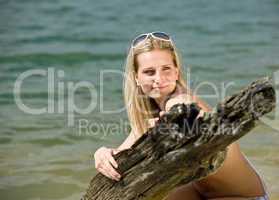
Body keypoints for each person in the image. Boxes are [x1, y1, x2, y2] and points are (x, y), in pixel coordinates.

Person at [94, 32, 269, 200]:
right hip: (204, 194)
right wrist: (101, 153)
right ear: (136, 78)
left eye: (166, 69)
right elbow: (122, 154)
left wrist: (171, 122)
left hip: (245, 197)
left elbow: (184, 112)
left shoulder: (181, 100)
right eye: (149, 72)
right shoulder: (149, 113)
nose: (159, 78)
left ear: (176, 72)